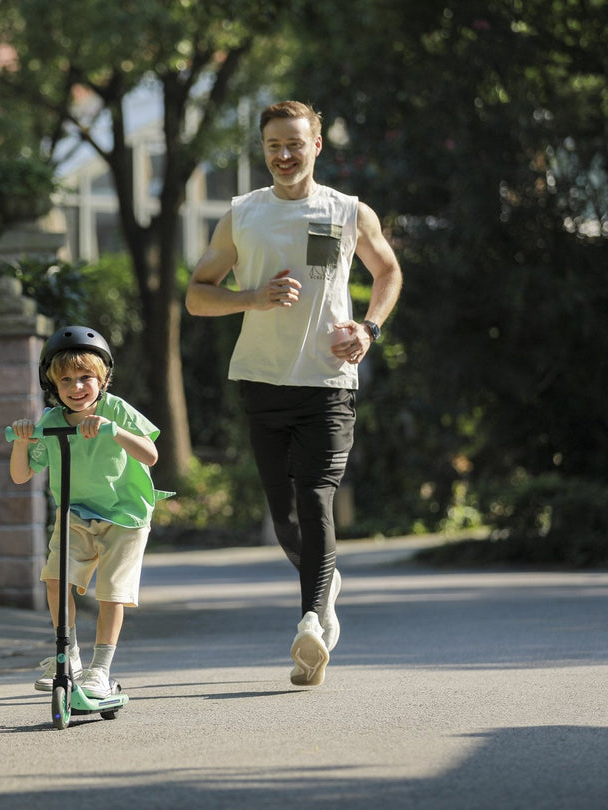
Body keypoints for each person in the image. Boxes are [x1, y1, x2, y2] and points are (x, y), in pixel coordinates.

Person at [185, 100, 403, 687]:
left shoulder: (349, 211)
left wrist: (368, 328)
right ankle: (325, 582)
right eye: (273, 146)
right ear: (264, 151)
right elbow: (197, 295)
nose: (284, 156)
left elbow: (388, 272)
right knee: (283, 514)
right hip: (261, 377)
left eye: (294, 144)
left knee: (314, 497)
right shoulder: (241, 215)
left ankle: (311, 620)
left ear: (316, 146)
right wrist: (249, 298)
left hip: (328, 382)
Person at [9, 325, 166, 699]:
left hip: (125, 515)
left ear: (103, 379)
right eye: (66, 380)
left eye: (85, 378)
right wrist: (22, 441)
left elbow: (151, 454)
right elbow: (20, 475)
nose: (76, 387)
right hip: (76, 512)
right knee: (54, 579)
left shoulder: (116, 410)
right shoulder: (49, 421)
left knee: (111, 592)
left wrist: (115, 432)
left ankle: (100, 669)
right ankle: (70, 655)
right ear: (52, 385)